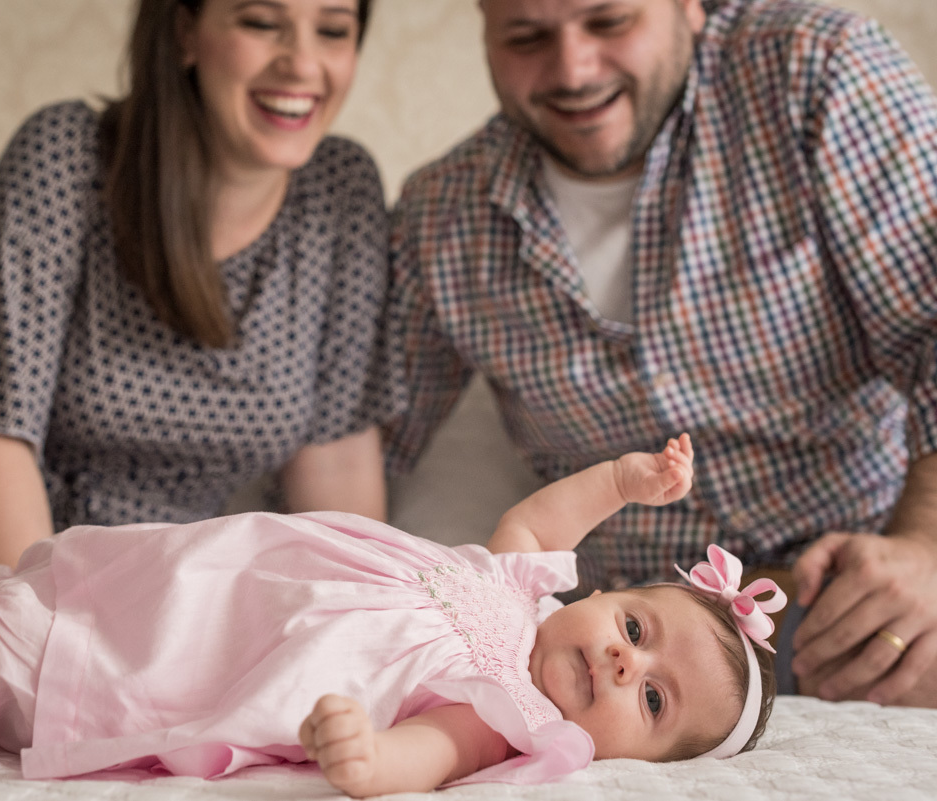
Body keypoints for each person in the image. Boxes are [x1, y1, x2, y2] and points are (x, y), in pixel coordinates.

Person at [0, 0, 402, 662]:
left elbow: (336, 464)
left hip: (118, 569)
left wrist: (347, 632)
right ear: (185, 32)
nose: (304, 63)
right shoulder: (66, 155)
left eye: (334, 30)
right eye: (262, 23)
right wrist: (35, 618)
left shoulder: (342, 192)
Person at [385, 0, 937, 708]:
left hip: (870, 588)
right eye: (526, 36)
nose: (573, 70)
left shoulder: (813, 68)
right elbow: (357, 447)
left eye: (610, 21)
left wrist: (925, 550)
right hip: (628, 671)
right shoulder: (443, 213)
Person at [0, 435, 784, 796]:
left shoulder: (509, 708)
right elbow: (537, 513)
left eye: (650, 701)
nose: (614, 663)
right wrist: (625, 480)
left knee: (1, 651)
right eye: (636, 631)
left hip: (199, 668)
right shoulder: (516, 584)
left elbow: (432, 749)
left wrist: (368, 761)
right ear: (601, 593)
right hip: (200, 586)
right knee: (28, 603)